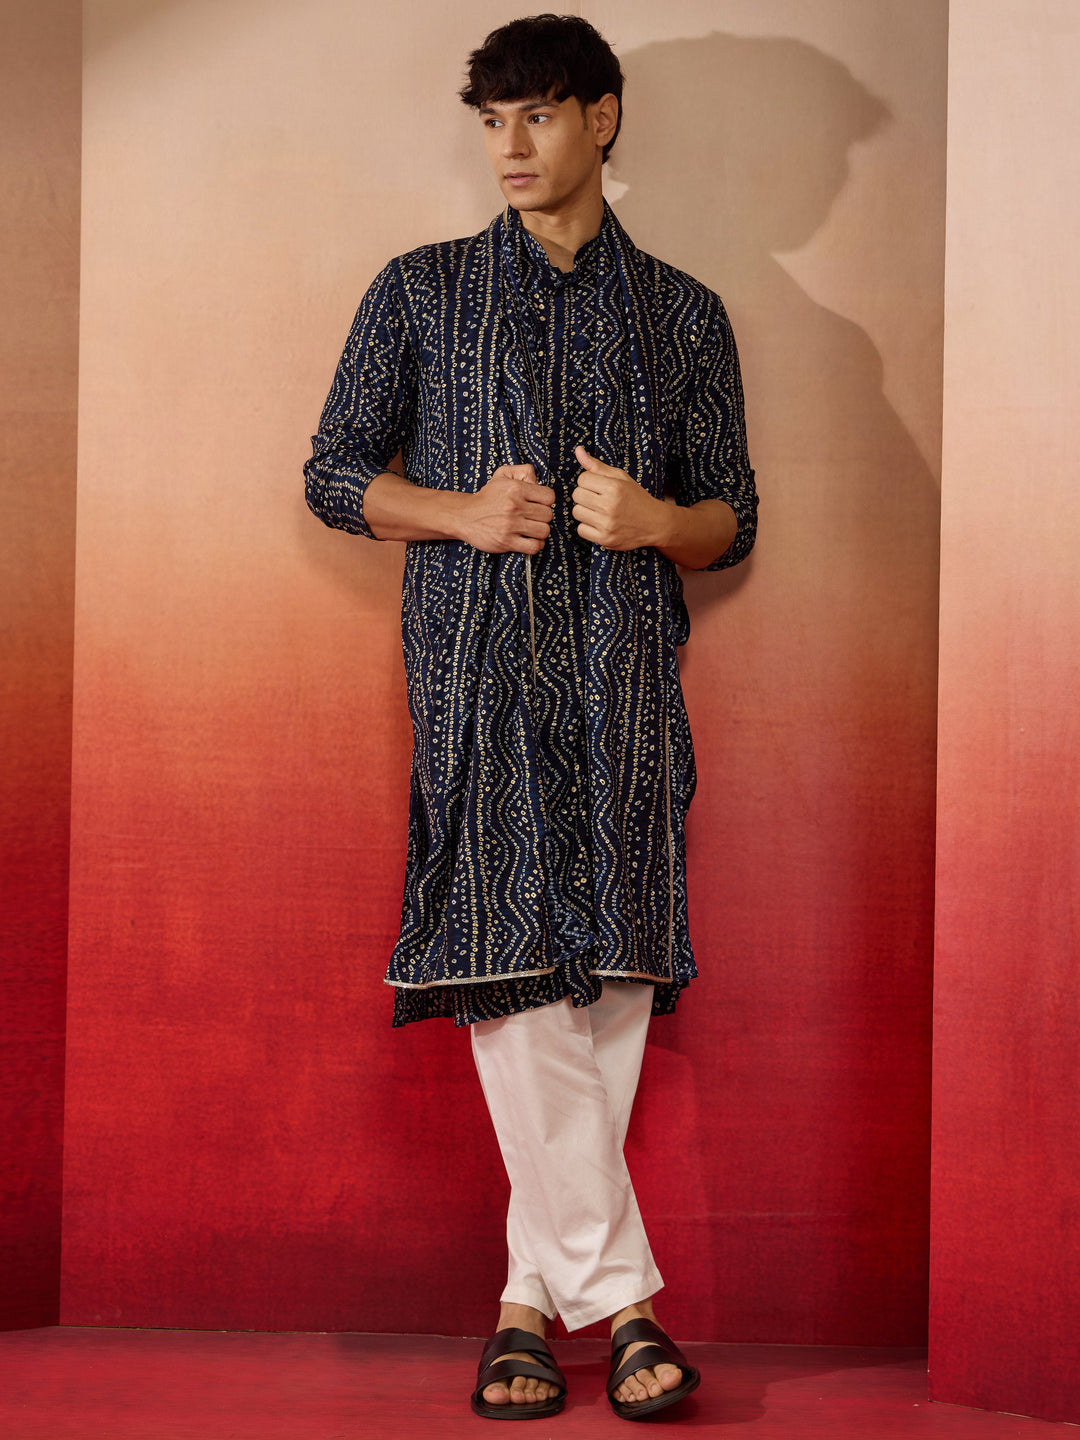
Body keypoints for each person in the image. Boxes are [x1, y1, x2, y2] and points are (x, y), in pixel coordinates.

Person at [304, 13, 757, 1422]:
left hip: (626, 694)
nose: (510, 145)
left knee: (605, 983)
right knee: (509, 979)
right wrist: (459, 512)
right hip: (477, 693)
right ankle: (626, 1306)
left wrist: (655, 520)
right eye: (492, 120)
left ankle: (519, 1309)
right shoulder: (420, 292)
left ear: (601, 119)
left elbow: (733, 518)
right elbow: (332, 474)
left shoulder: (685, 315)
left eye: (539, 115)